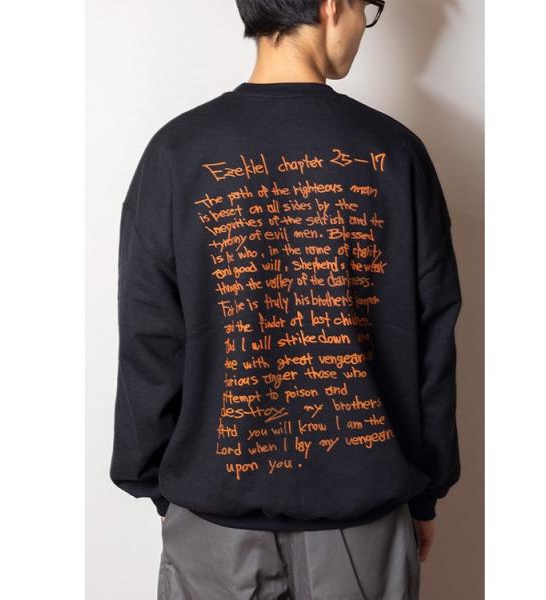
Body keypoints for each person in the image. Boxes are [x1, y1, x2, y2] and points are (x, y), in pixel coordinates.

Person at [109, 1, 463, 598]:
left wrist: (157, 486)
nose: (362, 27)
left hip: (214, 519)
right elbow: (432, 343)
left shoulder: (176, 153)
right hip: (364, 522)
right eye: (366, 8)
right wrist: (427, 492)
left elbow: (149, 339)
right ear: (332, 6)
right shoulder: (395, 153)